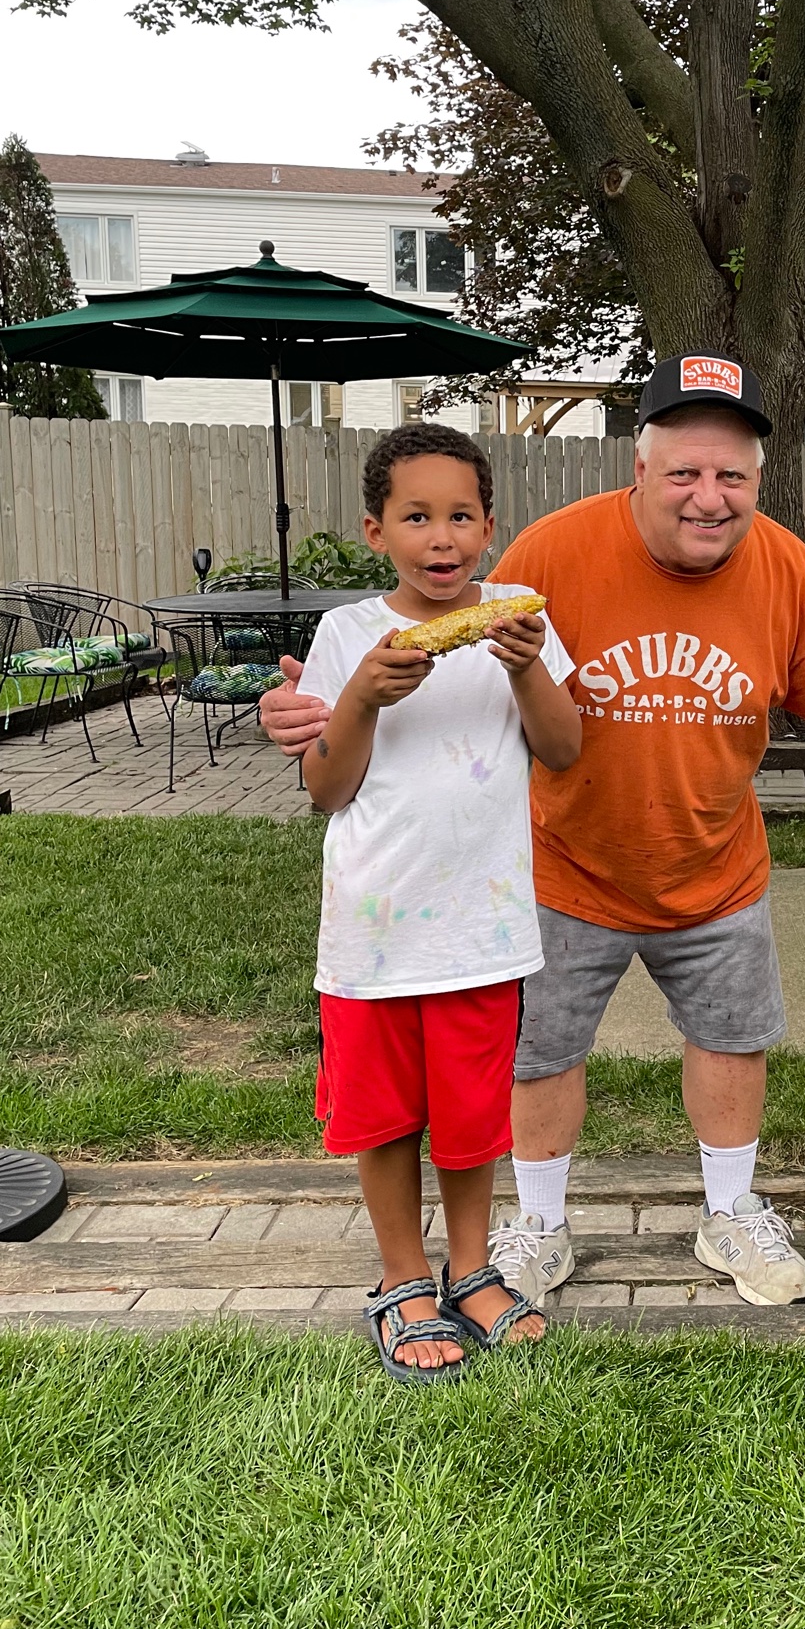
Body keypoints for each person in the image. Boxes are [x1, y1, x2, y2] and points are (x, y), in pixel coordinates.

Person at [263, 356, 805, 1308]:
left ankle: (730, 1211)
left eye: (732, 476)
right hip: (560, 868)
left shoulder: (787, 569)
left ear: (758, 481)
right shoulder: (552, 553)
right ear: (639, 470)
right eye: (685, 472)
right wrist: (318, 706)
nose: (709, 497)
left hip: (715, 864)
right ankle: (540, 1224)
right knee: (539, 1054)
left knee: (732, 1039)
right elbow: (453, 637)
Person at [298, 422, 581, 1381]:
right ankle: (402, 1277)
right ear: (376, 532)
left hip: (482, 929)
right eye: (416, 517)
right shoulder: (347, 636)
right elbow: (326, 788)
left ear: (490, 528)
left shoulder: (518, 621)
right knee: (384, 1118)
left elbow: (564, 750)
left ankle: (470, 1268)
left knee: (470, 1118)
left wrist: (526, 664)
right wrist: (360, 698)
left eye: (461, 516)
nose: (441, 537)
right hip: (374, 931)